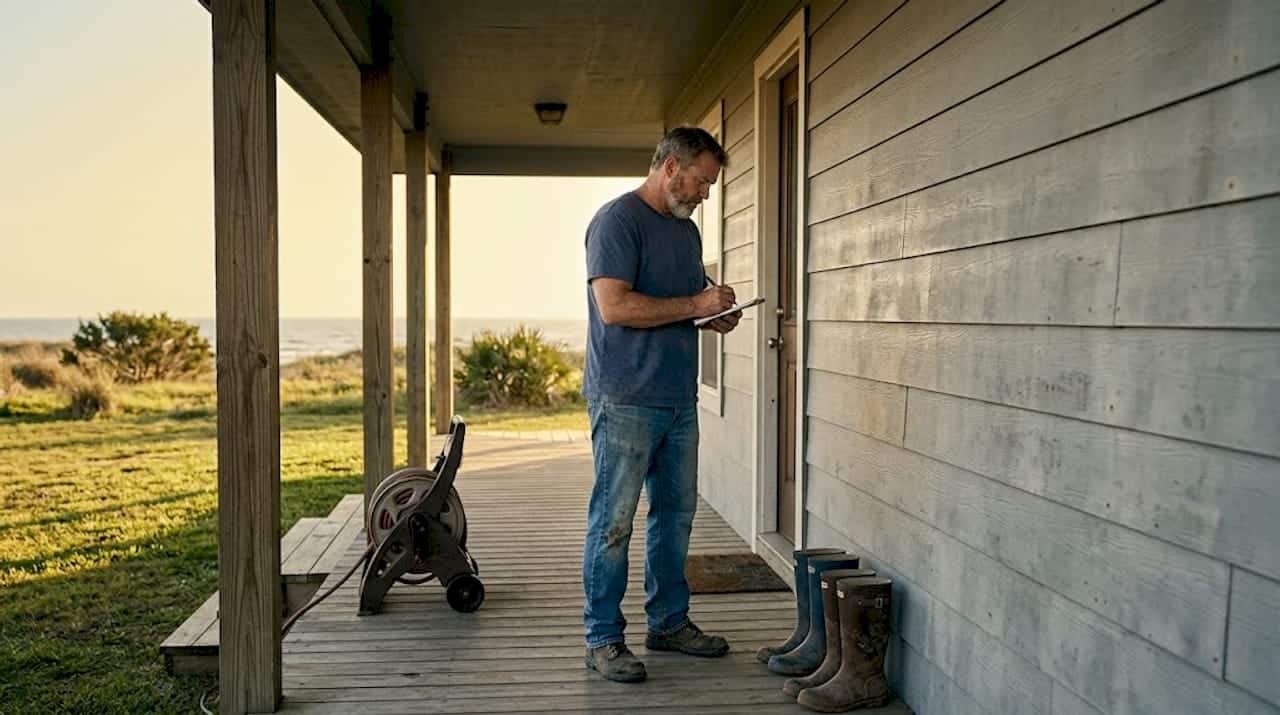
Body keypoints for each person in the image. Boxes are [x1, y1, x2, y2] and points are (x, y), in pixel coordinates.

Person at [580, 126, 742, 683]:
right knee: (614, 524)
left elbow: (686, 300)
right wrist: (694, 302)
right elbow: (616, 308)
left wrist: (713, 312)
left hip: (679, 399)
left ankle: (669, 623)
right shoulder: (617, 221)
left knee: (675, 520)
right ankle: (602, 638)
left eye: (709, 186)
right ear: (672, 167)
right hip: (624, 399)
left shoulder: (687, 232)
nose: (704, 194)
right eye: (701, 182)